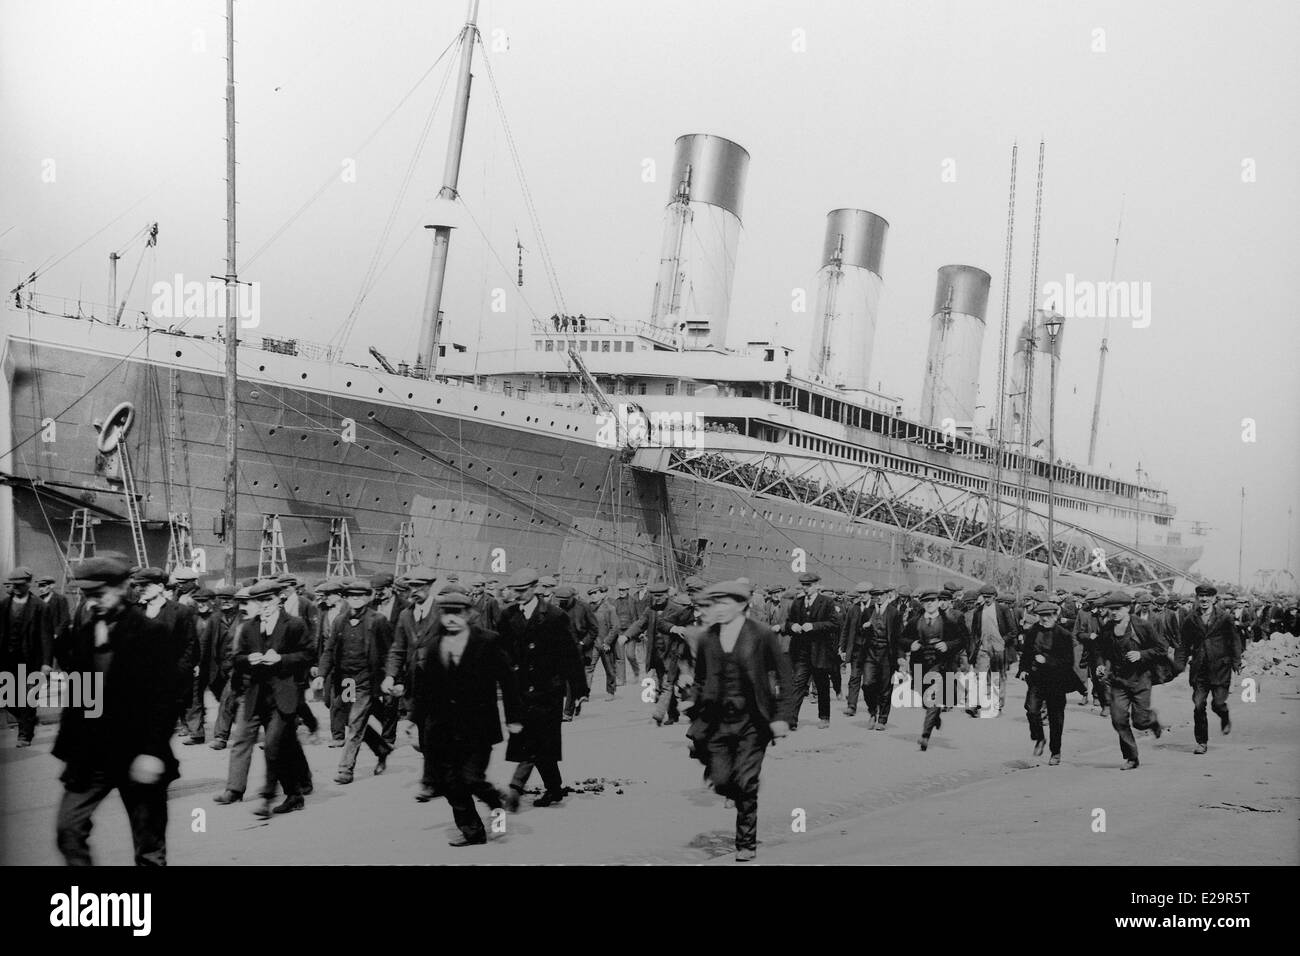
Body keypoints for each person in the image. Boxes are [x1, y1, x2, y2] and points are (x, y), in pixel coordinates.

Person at [52, 556, 179, 865]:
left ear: (123, 587)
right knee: (68, 829)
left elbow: (166, 698)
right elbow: (79, 696)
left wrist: (151, 751)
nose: (92, 602)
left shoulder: (152, 633)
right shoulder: (83, 633)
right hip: (91, 756)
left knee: (149, 849)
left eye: (99, 593)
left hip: (137, 754)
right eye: (86, 595)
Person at [686, 580, 796, 862]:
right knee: (722, 780)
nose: (718, 609)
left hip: (753, 720)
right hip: (717, 720)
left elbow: (785, 676)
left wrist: (783, 717)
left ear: (741, 605)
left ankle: (745, 843)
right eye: (715, 604)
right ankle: (736, 789)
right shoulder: (708, 636)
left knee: (746, 782)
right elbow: (701, 677)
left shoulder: (761, 635)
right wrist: (691, 697)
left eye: (725, 604)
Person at [410, 584, 522, 846]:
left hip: (478, 728)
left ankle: (496, 804)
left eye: (457, 612)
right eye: (445, 612)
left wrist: (513, 717)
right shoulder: (434, 644)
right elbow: (424, 689)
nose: (450, 618)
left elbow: (508, 680)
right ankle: (473, 832)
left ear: (469, 614)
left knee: (472, 779)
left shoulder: (488, 641)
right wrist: (411, 720)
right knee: (451, 784)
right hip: (444, 728)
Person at [496, 568, 588, 809]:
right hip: (520, 689)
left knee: (536, 740)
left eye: (522, 590)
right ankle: (555, 789)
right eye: (514, 591)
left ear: (535, 588)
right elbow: (501, 651)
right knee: (540, 743)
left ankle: (516, 787)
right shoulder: (507, 616)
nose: (518, 595)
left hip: (548, 689)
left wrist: (580, 690)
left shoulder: (555, 616)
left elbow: (570, 654)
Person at [223, 579, 314, 816]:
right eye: (259, 601)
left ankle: (266, 798)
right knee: (277, 746)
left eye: (268, 599)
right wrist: (248, 660)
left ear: (279, 599)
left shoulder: (294, 625)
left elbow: (308, 654)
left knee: (272, 745)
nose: (263, 605)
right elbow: (237, 658)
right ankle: (294, 794)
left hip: (284, 696)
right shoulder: (249, 627)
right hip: (256, 696)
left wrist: (282, 659)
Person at [315, 578, 394, 783]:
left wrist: (390, 678)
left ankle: (345, 769)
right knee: (353, 720)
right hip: (345, 681)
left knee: (356, 723)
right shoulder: (340, 621)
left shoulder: (377, 620)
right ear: (346, 598)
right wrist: (321, 675)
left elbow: (390, 652)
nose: (356, 600)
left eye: (360, 596)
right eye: (351, 596)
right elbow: (329, 650)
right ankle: (381, 748)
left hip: (366, 680)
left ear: (368, 597)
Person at [382, 567, 441, 800]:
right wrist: (390, 675)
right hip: (415, 684)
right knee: (422, 736)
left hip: (441, 683)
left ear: (430, 586)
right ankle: (436, 777)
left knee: (432, 732)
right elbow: (397, 648)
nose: (414, 591)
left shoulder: (443, 611)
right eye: (411, 587)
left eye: (420, 587)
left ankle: (430, 782)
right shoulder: (406, 615)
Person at [1090, 590, 1166, 770]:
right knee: (1118, 719)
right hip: (1118, 681)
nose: (1114, 612)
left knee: (1140, 722)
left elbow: (1161, 648)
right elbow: (1099, 650)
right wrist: (1100, 665)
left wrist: (1141, 654)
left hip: (1140, 680)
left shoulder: (1142, 626)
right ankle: (1131, 757)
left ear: (1128, 608)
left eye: (1118, 609)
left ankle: (1151, 719)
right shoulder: (1107, 628)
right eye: (1111, 609)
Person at [1017, 602, 1086, 764]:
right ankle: (1039, 738)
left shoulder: (1064, 635)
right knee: (1031, 709)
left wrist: (1047, 660)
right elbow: (1026, 653)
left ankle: (1056, 752)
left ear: (1056, 616)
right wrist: (1023, 669)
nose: (1045, 619)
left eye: (1049, 616)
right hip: (1037, 679)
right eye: (1042, 616)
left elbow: (1068, 661)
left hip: (1057, 681)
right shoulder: (1033, 631)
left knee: (1056, 718)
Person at [1179, 584, 1242, 755]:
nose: (1204, 599)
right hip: (1199, 669)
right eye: (1201, 596)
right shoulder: (1190, 619)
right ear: (1197, 598)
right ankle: (1201, 742)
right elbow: (1184, 644)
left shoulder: (1225, 617)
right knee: (1199, 705)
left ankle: (1224, 715)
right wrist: (1179, 664)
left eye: (1208, 596)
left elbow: (1234, 640)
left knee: (1218, 703)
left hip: (1220, 667)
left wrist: (1236, 661)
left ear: (1214, 599)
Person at [903, 589, 968, 751]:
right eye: (926, 601)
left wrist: (948, 645)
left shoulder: (949, 623)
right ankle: (935, 717)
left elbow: (962, 640)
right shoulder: (914, 622)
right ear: (923, 603)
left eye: (933, 600)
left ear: (939, 603)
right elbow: (902, 638)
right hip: (920, 666)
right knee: (925, 700)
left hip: (941, 665)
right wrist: (910, 644)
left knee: (933, 698)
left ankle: (925, 735)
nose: (930, 603)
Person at [782, 572, 842, 730]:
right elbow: (789, 622)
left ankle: (824, 717)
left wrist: (814, 626)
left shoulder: (827, 602)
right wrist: (792, 626)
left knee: (822, 686)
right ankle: (791, 719)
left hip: (820, 652)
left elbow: (835, 624)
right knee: (798, 684)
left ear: (816, 585)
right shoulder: (798, 602)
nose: (805, 588)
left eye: (808, 585)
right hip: (801, 651)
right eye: (803, 585)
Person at [0, 566, 51, 746]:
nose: (16, 588)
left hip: (32, 661)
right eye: (14, 585)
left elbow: (46, 636)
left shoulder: (40, 607)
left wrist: (46, 663)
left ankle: (24, 736)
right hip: (7, 660)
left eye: (20, 585)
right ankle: (26, 718)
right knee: (5, 697)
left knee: (29, 697)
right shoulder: (4, 605)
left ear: (28, 584)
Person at [969, 582, 1016, 715]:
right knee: (981, 676)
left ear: (995, 596)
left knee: (998, 677)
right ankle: (978, 704)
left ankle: (998, 705)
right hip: (983, 648)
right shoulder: (978, 611)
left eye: (989, 596)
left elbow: (1013, 631)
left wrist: (1003, 640)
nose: (987, 599)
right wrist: (974, 648)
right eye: (984, 596)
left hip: (999, 649)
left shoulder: (1003, 610)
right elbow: (974, 632)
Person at [586, 585, 619, 701]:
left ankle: (611, 692)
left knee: (610, 669)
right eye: (591, 594)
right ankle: (586, 693)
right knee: (589, 668)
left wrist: (608, 642)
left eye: (595, 593)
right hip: (593, 644)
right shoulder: (588, 608)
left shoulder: (610, 608)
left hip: (606, 645)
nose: (593, 596)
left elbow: (615, 627)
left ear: (601, 594)